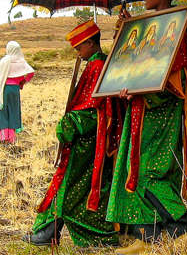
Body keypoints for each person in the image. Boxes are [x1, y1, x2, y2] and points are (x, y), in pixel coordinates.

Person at [108, 0, 187, 255]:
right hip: (140, 111)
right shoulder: (144, 26)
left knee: (150, 171)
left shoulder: (179, 30)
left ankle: (182, 224)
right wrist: (122, 35)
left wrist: (146, 90)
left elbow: (184, 77)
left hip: (161, 113)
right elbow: (129, 67)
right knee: (133, 168)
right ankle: (151, 233)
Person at [24, 21, 118, 247]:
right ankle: (50, 232)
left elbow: (93, 109)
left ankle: (51, 233)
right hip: (92, 140)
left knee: (67, 185)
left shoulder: (97, 66)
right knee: (75, 186)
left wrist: (69, 123)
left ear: (90, 42)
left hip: (87, 142)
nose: (77, 52)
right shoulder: (96, 64)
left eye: (79, 47)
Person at [0, 41, 34, 143]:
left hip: (4, 89)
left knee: (3, 111)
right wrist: (22, 82)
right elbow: (31, 73)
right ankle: (11, 138)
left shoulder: (4, 61)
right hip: (15, 89)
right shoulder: (21, 61)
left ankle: (3, 136)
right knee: (14, 110)